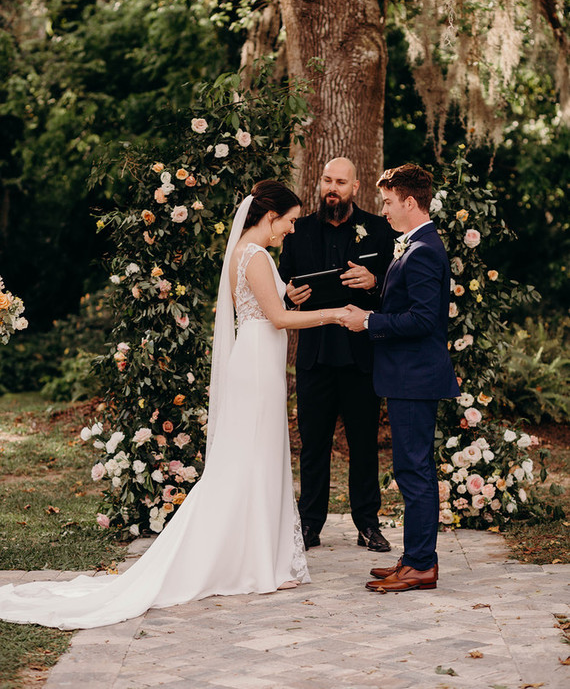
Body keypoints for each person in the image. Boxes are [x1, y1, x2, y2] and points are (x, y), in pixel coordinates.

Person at [0, 180, 348, 629]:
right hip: (258, 364)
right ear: (270, 217)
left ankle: (262, 557)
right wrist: (335, 314)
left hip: (258, 359)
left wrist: (290, 294)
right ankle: (257, 562)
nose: (293, 230)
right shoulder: (256, 255)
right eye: (291, 221)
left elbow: (266, 306)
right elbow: (277, 320)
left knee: (254, 459)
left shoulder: (244, 251)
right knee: (253, 460)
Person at [342, 163, 460, 593]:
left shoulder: (424, 249)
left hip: (415, 377)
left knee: (414, 471)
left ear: (410, 202)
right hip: (407, 376)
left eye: (389, 202)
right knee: (412, 469)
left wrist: (370, 322)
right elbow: (407, 303)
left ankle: (421, 565)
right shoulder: (413, 245)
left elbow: (426, 320)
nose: (385, 210)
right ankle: (414, 558)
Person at [279, 157, 395, 553]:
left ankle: (368, 524)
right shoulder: (298, 231)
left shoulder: (379, 231)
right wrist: (289, 296)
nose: (333, 187)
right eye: (327, 180)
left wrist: (375, 281)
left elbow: (397, 291)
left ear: (355, 187)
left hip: (361, 357)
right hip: (314, 356)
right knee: (313, 444)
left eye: (340, 182)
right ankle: (310, 523)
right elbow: (281, 285)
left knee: (364, 444)